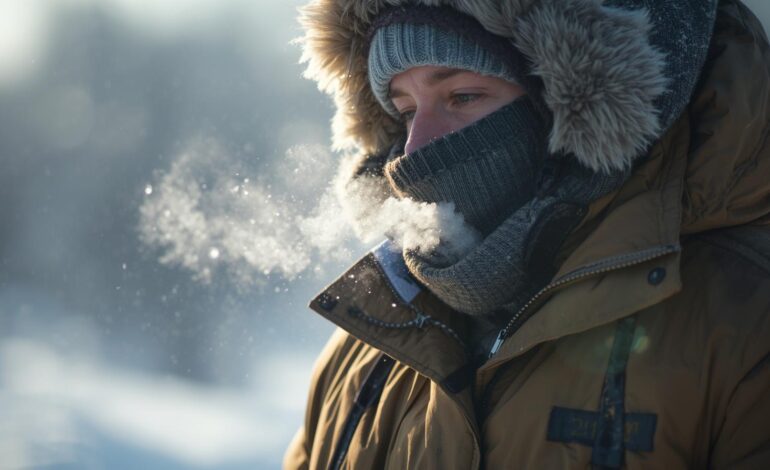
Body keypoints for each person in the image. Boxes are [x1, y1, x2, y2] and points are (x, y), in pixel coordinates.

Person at [286, 0, 770, 468]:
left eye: (462, 97)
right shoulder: (376, 338)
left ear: (566, 108)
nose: (416, 147)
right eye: (408, 110)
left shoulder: (741, 324)